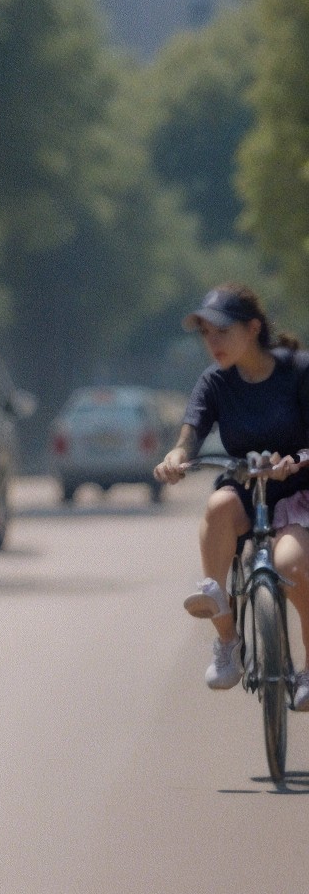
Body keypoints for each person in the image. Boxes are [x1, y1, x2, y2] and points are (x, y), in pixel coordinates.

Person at [153, 286, 309, 706]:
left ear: (253, 327)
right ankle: (227, 640)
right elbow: (191, 432)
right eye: (206, 333)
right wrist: (176, 455)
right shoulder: (215, 382)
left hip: (299, 493)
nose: (213, 343)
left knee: (292, 565)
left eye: (222, 331)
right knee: (219, 505)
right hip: (244, 488)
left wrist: (295, 460)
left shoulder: (298, 370)